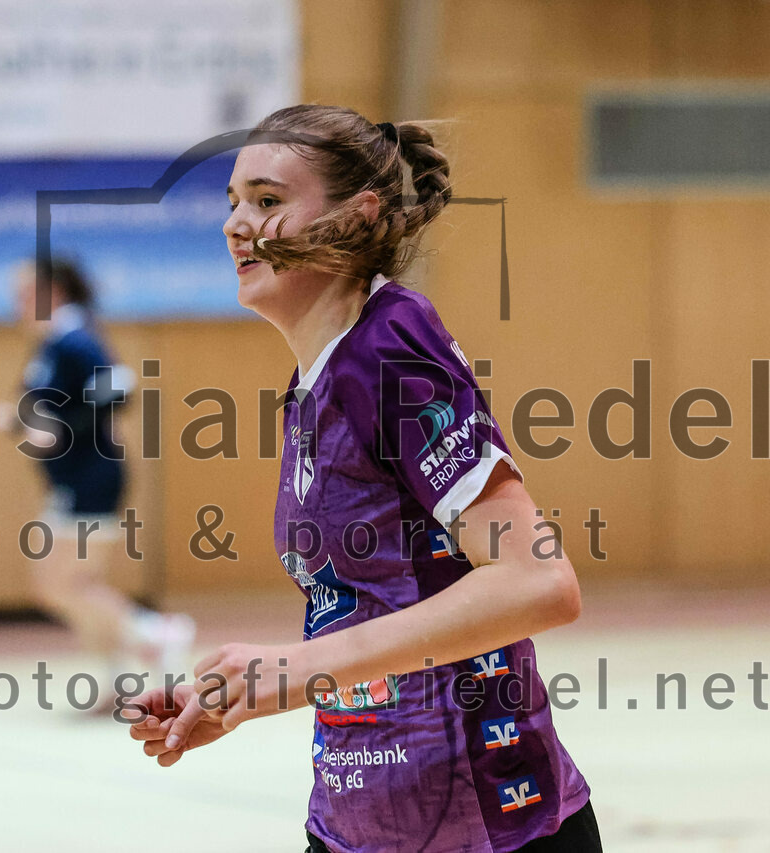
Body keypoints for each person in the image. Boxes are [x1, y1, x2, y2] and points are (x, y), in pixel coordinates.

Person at [125, 105, 602, 852]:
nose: (236, 224)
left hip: (483, 829)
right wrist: (243, 693)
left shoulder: (390, 348)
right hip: (357, 821)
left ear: (358, 214)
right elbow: (372, 608)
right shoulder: (319, 379)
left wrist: (299, 667)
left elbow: (538, 582)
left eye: (267, 200)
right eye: (234, 201)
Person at [9, 257, 195, 694]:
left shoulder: (75, 338)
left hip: (90, 478)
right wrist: (21, 420)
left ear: (52, 292)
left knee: (63, 583)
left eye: (24, 294)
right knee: (67, 585)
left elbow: (118, 388)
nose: (17, 305)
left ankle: (157, 633)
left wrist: (61, 428)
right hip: (69, 480)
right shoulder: (53, 343)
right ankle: (118, 677)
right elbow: (44, 407)